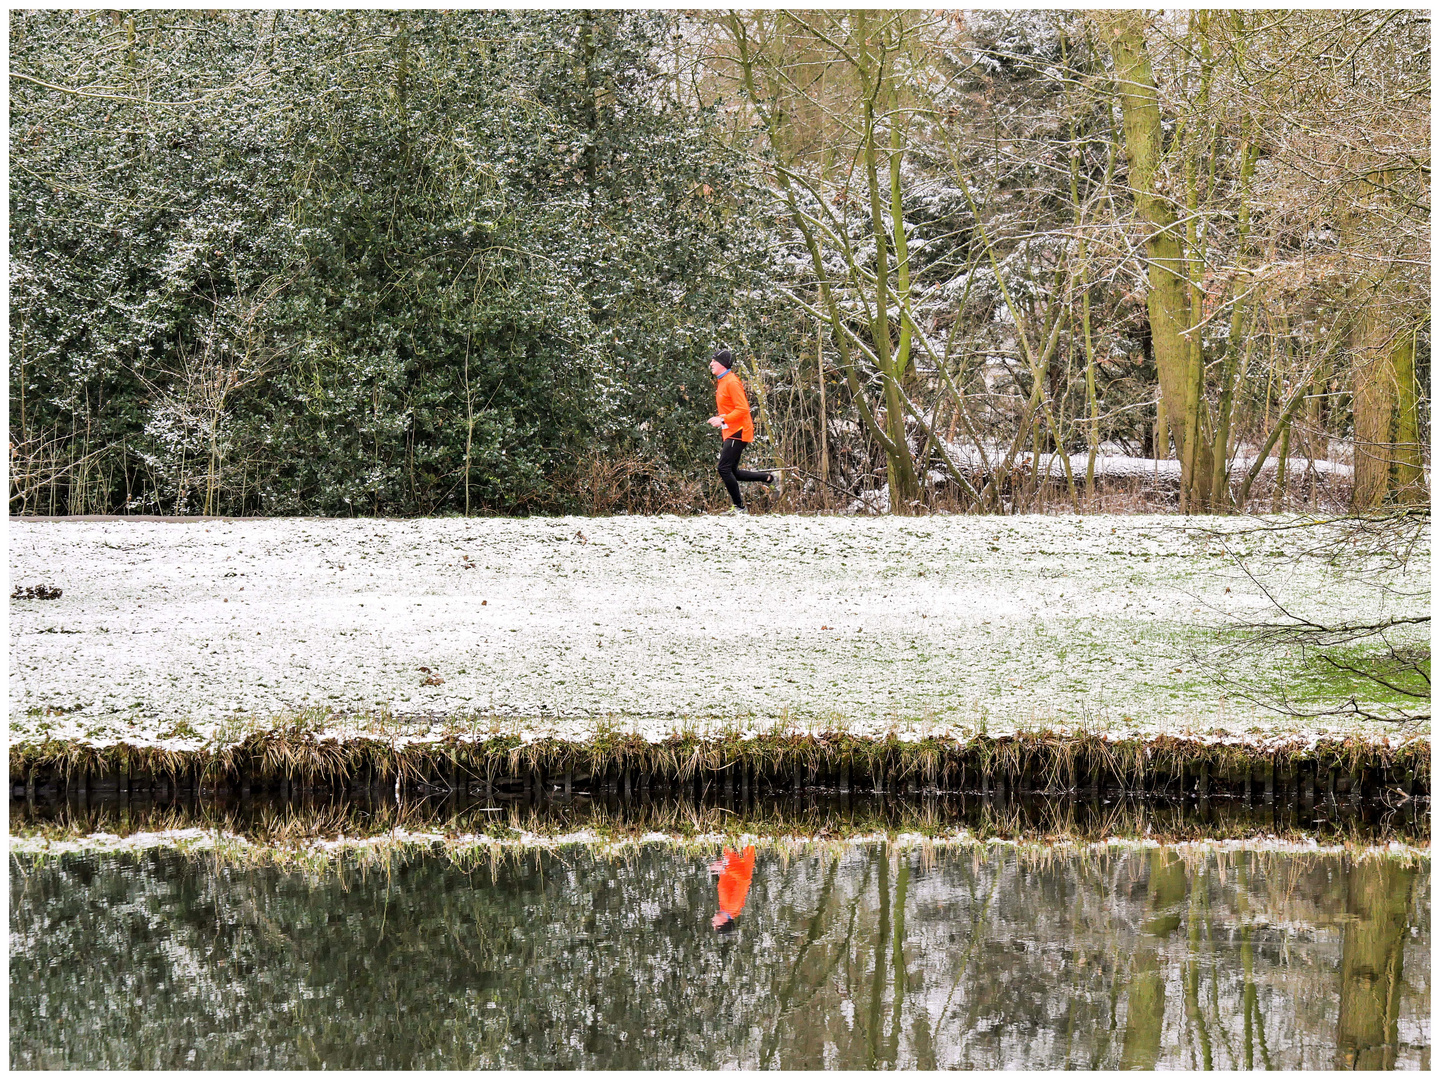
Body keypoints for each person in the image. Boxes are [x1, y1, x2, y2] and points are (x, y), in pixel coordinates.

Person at [707, 348, 774, 512]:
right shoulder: (723, 381)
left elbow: (743, 409)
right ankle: (769, 478)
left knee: (723, 468)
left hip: (739, 431)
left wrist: (722, 419)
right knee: (733, 472)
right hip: (731, 430)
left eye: (714, 361)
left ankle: (739, 508)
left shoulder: (732, 382)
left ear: (722, 364)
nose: (711, 364)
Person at [709, 844, 756, 931]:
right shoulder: (732, 906)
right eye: (715, 923)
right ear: (723, 922)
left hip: (732, 856)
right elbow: (744, 880)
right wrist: (725, 868)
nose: (712, 920)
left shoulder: (726, 907)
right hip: (740, 854)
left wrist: (722, 868)